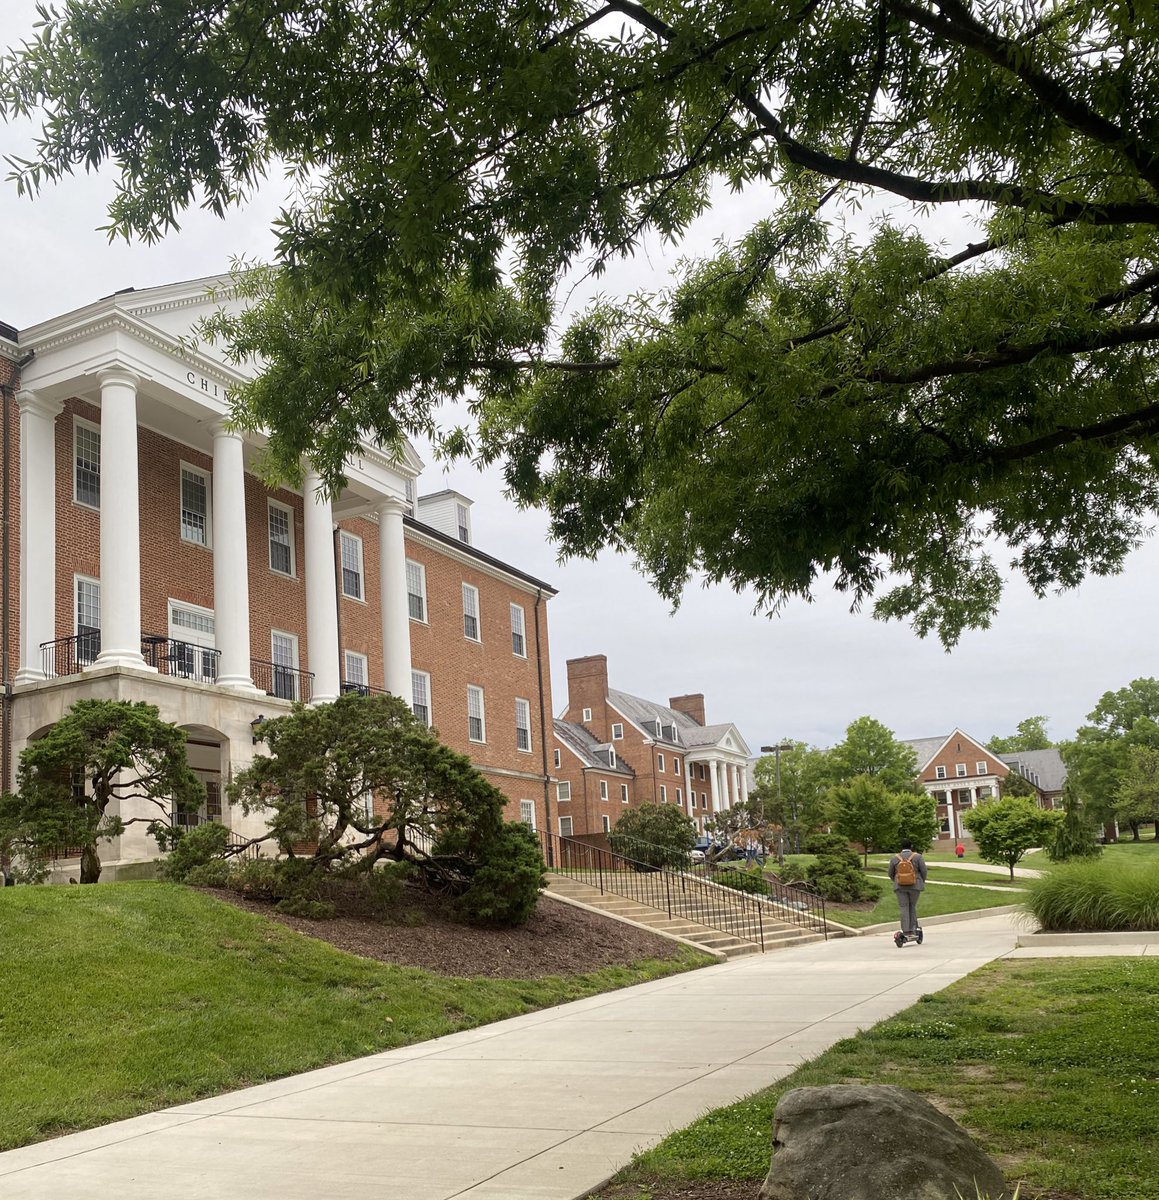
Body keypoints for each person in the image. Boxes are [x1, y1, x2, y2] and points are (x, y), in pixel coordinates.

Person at [888, 839, 928, 943]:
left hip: (900, 886)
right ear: (911, 846)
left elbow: (890, 873)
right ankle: (913, 929)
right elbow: (924, 871)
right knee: (912, 906)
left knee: (904, 907)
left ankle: (905, 930)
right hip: (915, 885)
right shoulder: (918, 857)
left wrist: (897, 880)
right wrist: (920, 881)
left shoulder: (895, 858)